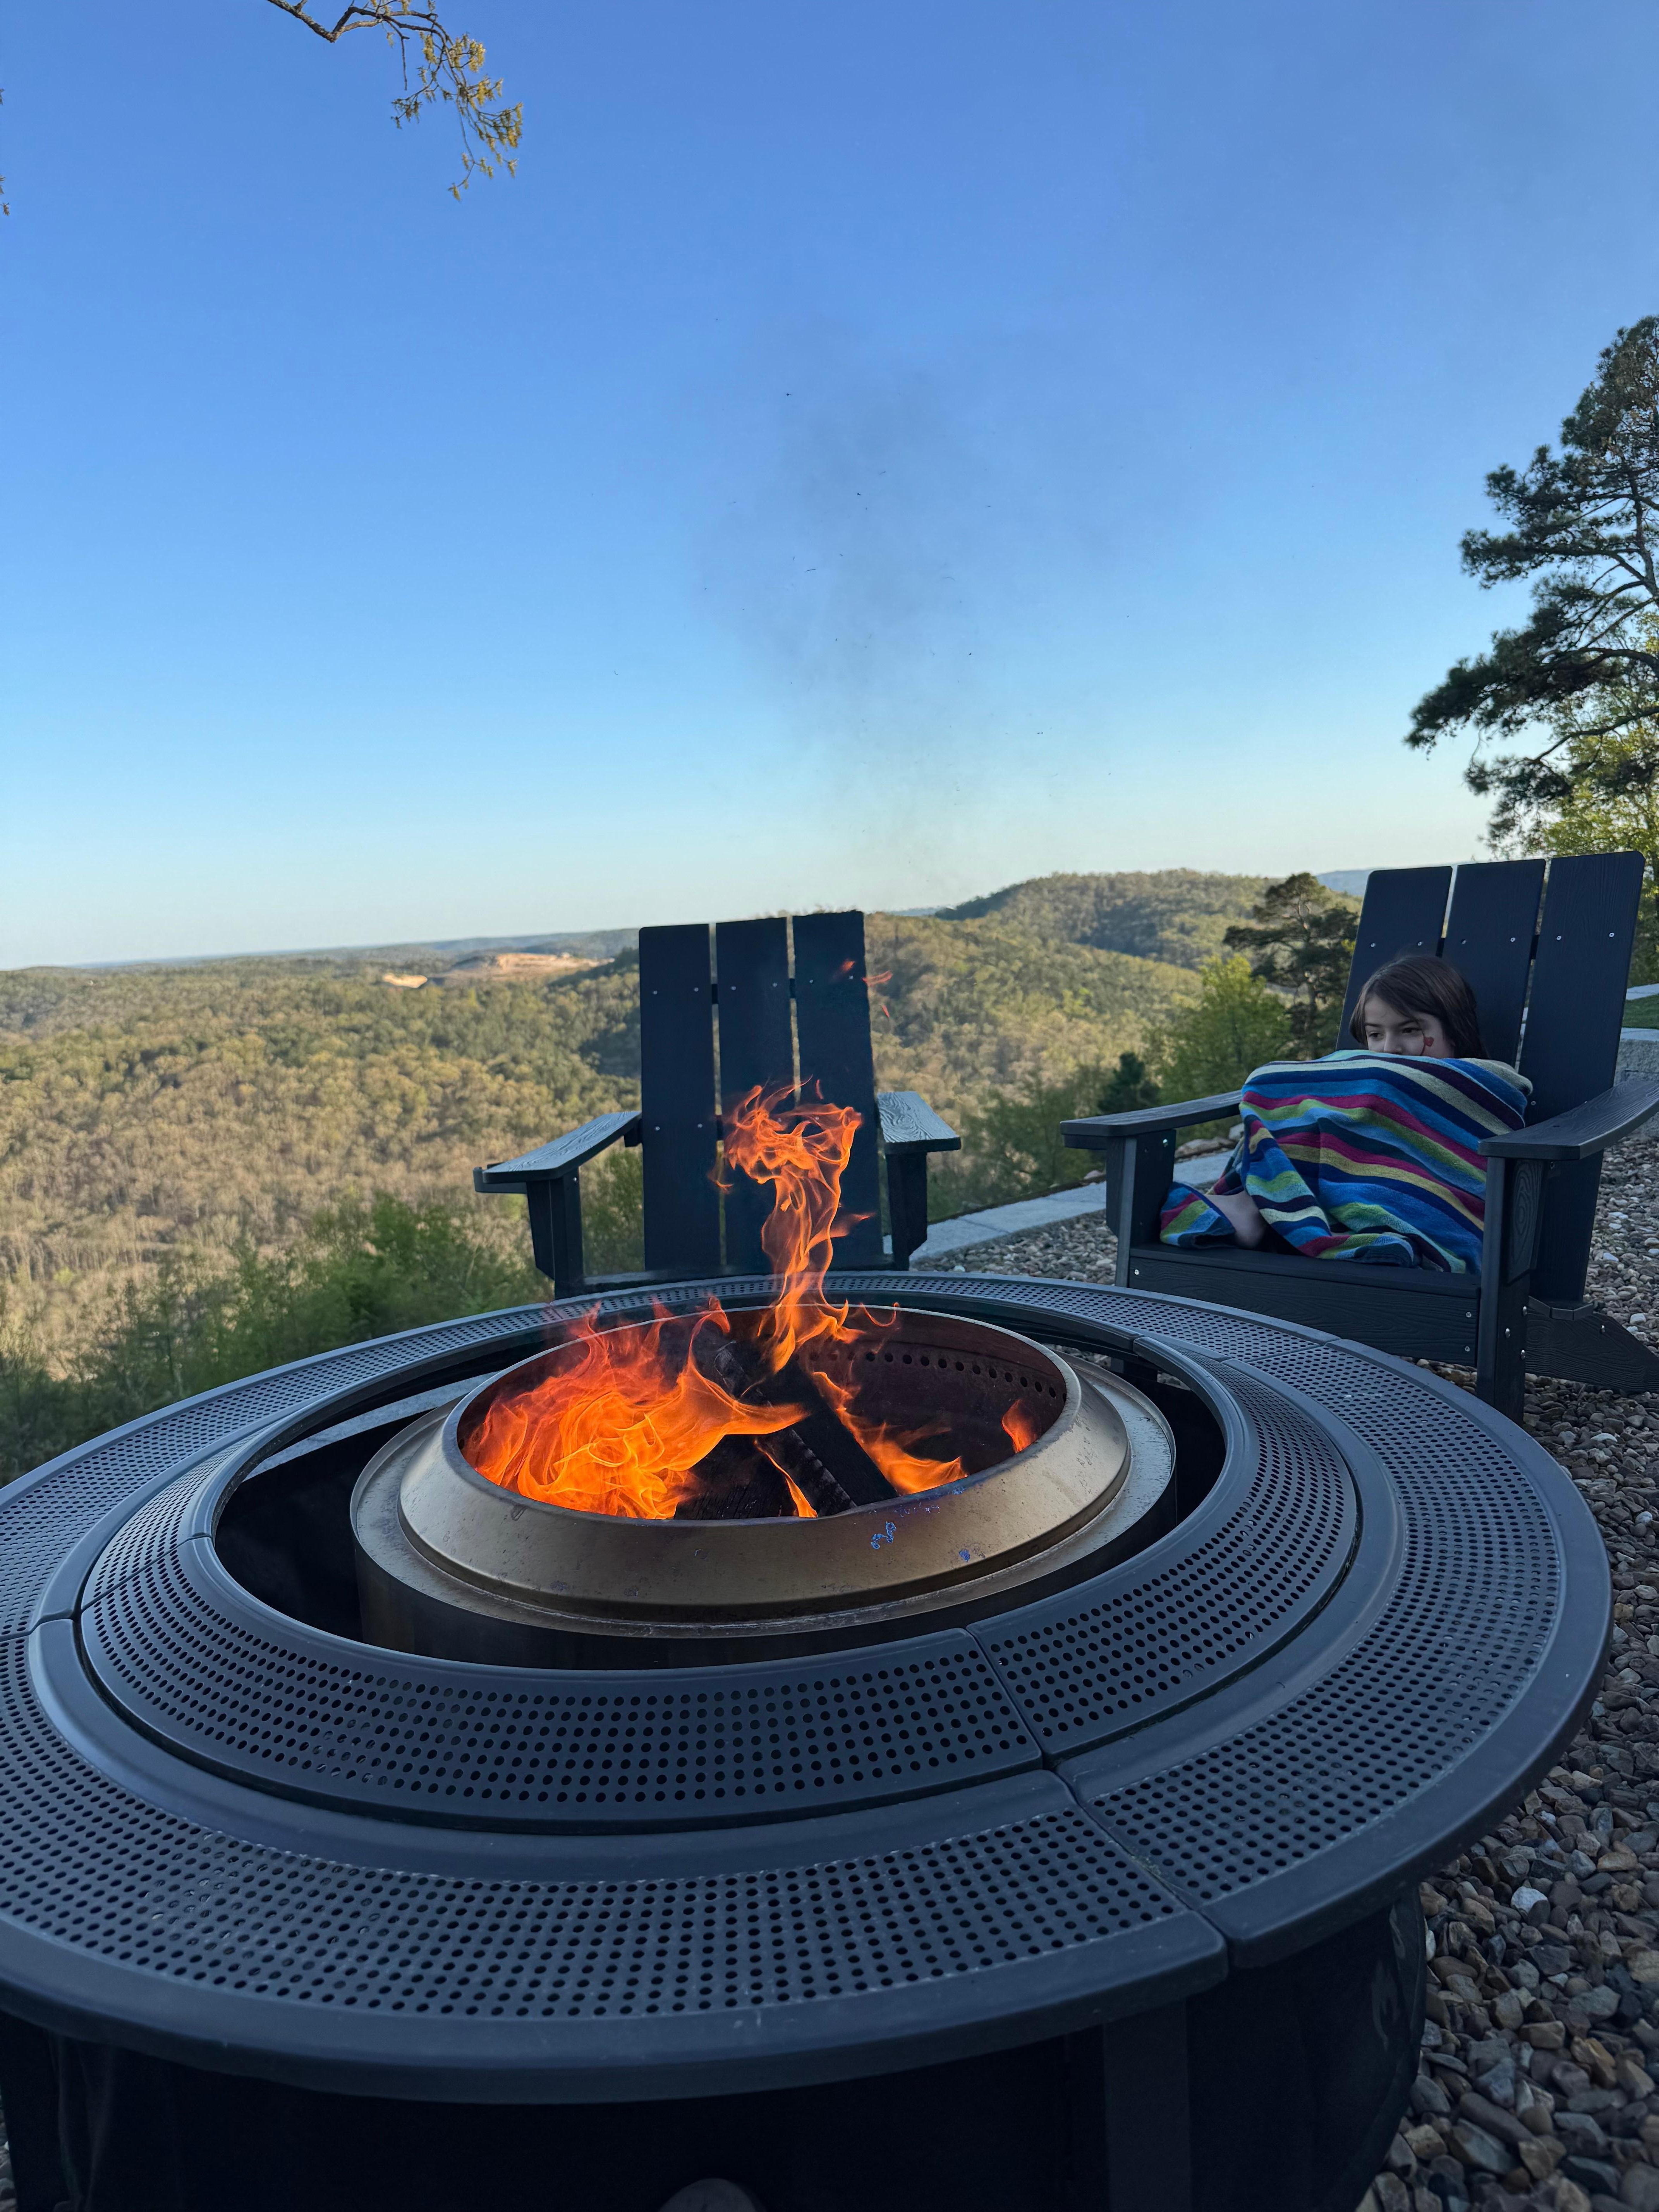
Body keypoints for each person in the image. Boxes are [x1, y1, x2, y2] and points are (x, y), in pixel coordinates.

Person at [1162, 954, 1530, 1271]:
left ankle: (1266, 1209)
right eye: (1374, 1035)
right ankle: (1265, 1204)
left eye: (1410, 1030)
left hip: (1419, 1211)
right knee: (1288, 1089)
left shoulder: (1478, 1086)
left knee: (1373, 1083)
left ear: (1454, 1029)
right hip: (1336, 1188)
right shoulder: (1366, 1070)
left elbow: (1481, 1135)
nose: (1390, 1049)